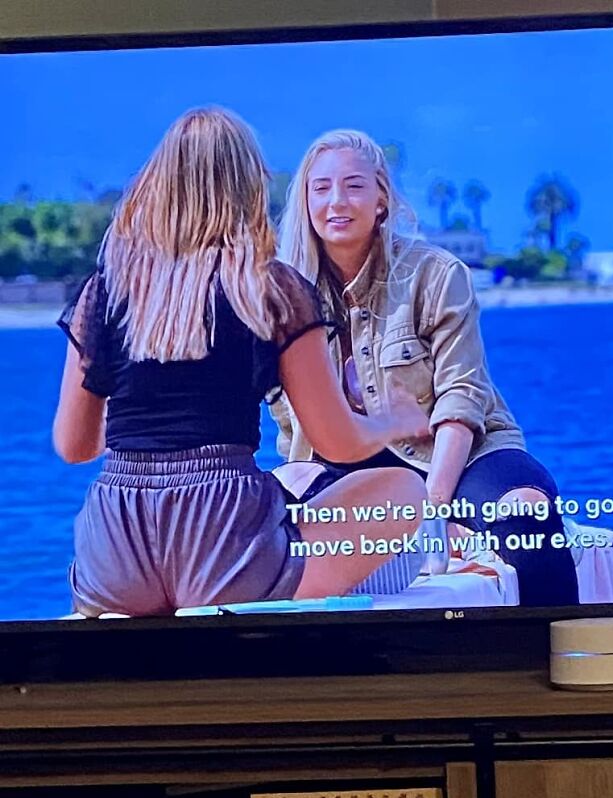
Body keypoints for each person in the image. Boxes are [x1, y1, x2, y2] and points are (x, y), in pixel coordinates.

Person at [53, 109, 428, 617]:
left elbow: (74, 447)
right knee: (403, 489)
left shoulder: (106, 290)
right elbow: (336, 441)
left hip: (116, 551)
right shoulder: (270, 288)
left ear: (158, 185)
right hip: (224, 543)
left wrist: (142, 450)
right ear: (247, 187)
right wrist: (394, 421)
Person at [274, 129, 579, 607]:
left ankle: (559, 655)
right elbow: (293, 427)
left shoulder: (437, 273)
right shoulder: (283, 293)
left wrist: (432, 508)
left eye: (354, 185)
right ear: (305, 202)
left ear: (381, 199)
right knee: (271, 537)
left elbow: (462, 398)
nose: (338, 201)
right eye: (322, 188)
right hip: (349, 469)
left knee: (527, 520)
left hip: (463, 454)